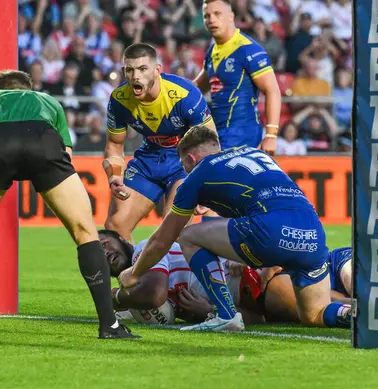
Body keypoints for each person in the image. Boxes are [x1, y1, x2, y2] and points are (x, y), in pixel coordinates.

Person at [0, 70, 138, 340]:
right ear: (30, 87)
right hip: (44, 144)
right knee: (86, 233)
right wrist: (52, 185)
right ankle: (109, 325)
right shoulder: (48, 102)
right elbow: (66, 154)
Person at [119, 126, 351, 332]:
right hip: (312, 232)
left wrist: (135, 273)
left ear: (190, 158)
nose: (184, 172)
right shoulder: (255, 153)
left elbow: (163, 238)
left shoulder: (198, 174)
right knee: (314, 314)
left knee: (188, 235)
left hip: (271, 230)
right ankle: (356, 314)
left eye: (183, 166)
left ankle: (225, 315)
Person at [103, 43, 216, 242]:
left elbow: (210, 144)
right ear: (123, 71)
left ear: (157, 71)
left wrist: (205, 187)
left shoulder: (185, 95)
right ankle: (135, 273)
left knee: (172, 227)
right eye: (130, 70)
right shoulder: (119, 100)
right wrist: (114, 175)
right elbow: (114, 144)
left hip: (185, 161)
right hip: (149, 158)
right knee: (115, 227)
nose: (135, 76)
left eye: (142, 69)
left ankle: (170, 272)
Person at [98, 229, 266, 324]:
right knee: (280, 317)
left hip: (251, 279)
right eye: (97, 256)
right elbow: (260, 320)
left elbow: (154, 295)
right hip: (248, 303)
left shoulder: (145, 250)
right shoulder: (136, 288)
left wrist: (114, 298)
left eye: (104, 244)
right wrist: (208, 312)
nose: (104, 253)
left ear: (122, 238)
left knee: (291, 309)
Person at [193, 0, 282, 154]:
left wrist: (271, 135)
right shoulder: (212, 51)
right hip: (219, 135)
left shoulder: (248, 49)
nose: (211, 19)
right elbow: (197, 87)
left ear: (231, 16)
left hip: (243, 135)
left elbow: (272, 90)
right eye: (207, 16)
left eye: (217, 14)